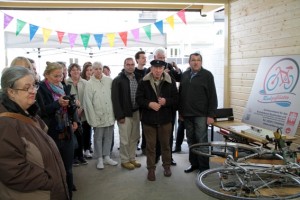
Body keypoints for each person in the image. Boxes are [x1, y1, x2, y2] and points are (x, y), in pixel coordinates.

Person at [0, 66, 69, 200]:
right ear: (11, 92)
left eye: (34, 85)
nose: (33, 91)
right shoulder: (5, 124)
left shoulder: (28, 113)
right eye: (27, 88)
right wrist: (50, 181)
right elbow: (13, 172)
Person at [38, 61, 79, 199]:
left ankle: (69, 192)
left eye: (61, 75)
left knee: (68, 166)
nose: (59, 79)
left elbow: (70, 108)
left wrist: (75, 119)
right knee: (53, 167)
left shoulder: (64, 87)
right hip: (51, 133)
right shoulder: (41, 89)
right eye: (55, 76)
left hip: (67, 131)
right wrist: (57, 104)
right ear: (46, 75)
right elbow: (40, 112)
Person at [136, 60, 178, 181]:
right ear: (151, 68)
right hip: (149, 121)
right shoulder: (143, 82)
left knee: (166, 145)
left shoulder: (171, 81)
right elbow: (138, 99)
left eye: (160, 68)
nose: (158, 70)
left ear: (164, 68)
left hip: (165, 120)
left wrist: (166, 102)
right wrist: (149, 104)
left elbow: (176, 99)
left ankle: (167, 166)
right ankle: (151, 169)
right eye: (155, 68)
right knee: (150, 146)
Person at [179, 52, 218, 173]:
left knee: (202, 141)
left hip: (201, 115)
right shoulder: (184, 75)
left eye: (198, 60)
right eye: (193, 60)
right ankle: (194, 164)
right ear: (189, 62)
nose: (196, 62)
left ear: (201, 62)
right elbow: (181, 94)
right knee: (191, 140)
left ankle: (204, 167)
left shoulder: (207, 75)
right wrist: (181, 112)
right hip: (187, 114)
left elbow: (212, 96)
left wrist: (211, 115)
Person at [83, 61, 117, 169]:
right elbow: (87, 102)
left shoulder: (109, 81)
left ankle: (107, 156)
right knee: (98, 138)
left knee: (108, 136)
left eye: (100, 68)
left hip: (109, 114)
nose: (98, 71)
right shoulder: (89, 84)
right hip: (97, 116)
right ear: (92, 70)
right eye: (96, 69)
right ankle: (99, 159)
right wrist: (92, 119)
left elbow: (114, 97)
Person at [111, 57, 142, 170]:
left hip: (136, 112)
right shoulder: (118, 80)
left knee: (134, 137)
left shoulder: (138, 78)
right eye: (128, 64)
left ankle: (132, 158)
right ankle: (124, 160)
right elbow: (115, 99)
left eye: (132, 64)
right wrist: (119, 116)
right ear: (124, 66)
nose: (130, 66)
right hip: (124, 114)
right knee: (125, 139)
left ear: (135, 65)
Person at [153, 48, 181, 166]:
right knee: (155, 136)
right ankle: (156, 156)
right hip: (155, 109)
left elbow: (179, 78)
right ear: (155, 58)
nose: (162, 60)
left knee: (168, 136)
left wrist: (175, 68)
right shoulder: (151, 68)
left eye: (164, 58)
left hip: (169, 108)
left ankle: (169, 158)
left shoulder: (169, 66)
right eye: (160, 58)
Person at [66, 63, 89, 165]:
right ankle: (74, 156)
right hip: (71, 114)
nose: (76, 71)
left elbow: (87, 97)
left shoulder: (85, 82)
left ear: (80, 71)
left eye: (77, 69)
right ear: (69, 71)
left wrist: (82, 108)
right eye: (73, 70)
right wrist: (75, 110)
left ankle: (81, 155)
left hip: (83, 112)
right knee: (73, 134)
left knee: (82, 135)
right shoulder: (66, 82)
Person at [134, 50, 148, 154]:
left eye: (145, 57)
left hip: (144, 104)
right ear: (137, 59)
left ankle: (144, 147)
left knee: (145, 128)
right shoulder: (132, 72)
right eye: (142, 57)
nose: (145, 59)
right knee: (134, 128)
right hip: (134, 104)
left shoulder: (148, 71)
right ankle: (134, 146)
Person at [80, 61, 93, 157]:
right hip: (82, 109)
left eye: (91, 70)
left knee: (89, 129)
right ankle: (85, 147)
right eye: (87, 70)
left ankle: (88, 146)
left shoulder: (94, 81)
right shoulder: (82, 82)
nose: (89, 72)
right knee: (84, 129)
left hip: (93, 109)